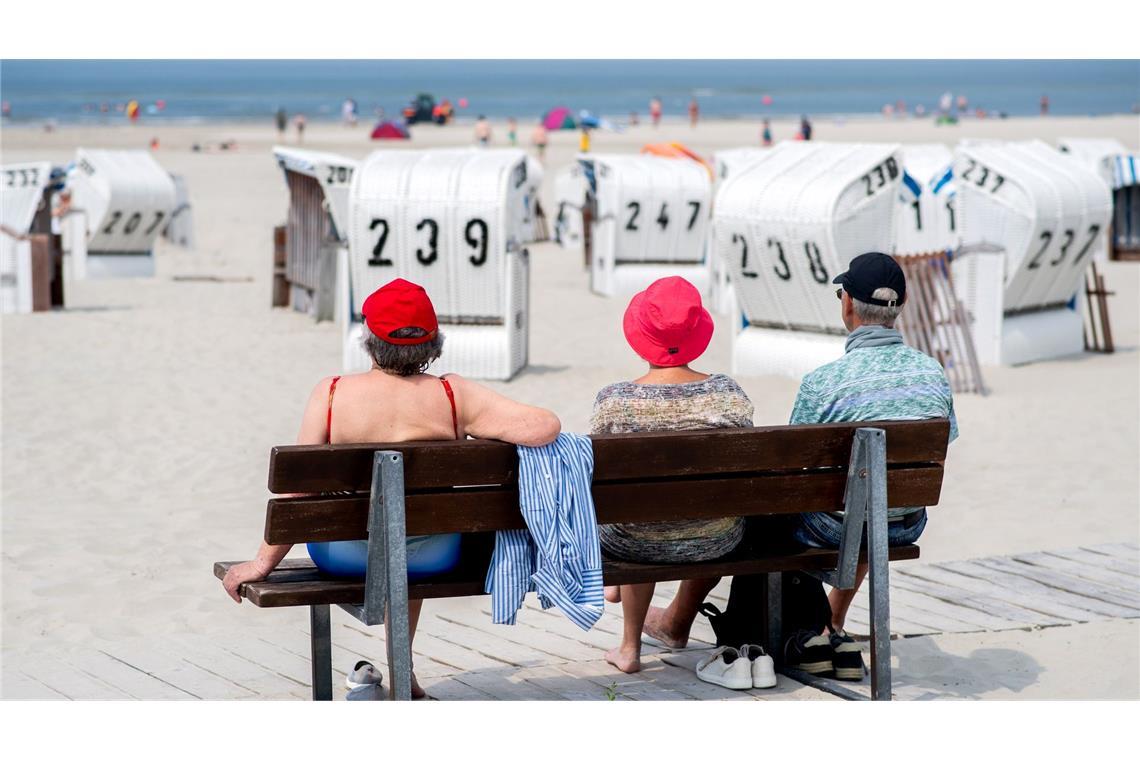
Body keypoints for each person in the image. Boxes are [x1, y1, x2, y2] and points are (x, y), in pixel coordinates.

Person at [221, 278, 562, 698]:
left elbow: (301, 495)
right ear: (432, 341)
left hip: (344, 554)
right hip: (435, 554)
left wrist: (261, 565)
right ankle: (405, 667)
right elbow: (546, 426)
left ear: (369, 339)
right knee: (409, 525)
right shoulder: (454, 395)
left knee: (393, 524)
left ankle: (393, 669)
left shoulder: (331, 394)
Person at [644, 253, 958, 682]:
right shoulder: (933, 375)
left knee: (794, 508)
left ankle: (677, 622)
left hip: (833, 526)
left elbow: (797, 467)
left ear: (846, 303)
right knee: (871, 494)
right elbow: (945, 441)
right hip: (903, 523)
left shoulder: (825, 382)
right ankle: (831, 620)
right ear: (900, 305)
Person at [592, 277, 753, 674]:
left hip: (633, 541)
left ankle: (629, 647)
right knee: (702, 510)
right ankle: (666, 619)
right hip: (717, 538)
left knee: (639, 511)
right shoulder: (728, 395)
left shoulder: (615, 401)